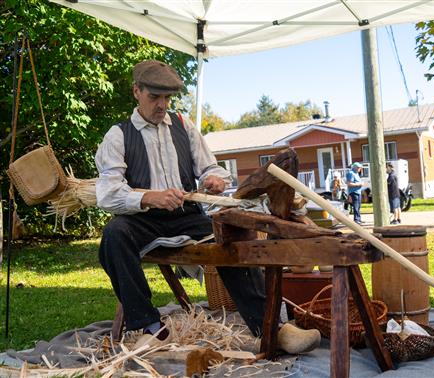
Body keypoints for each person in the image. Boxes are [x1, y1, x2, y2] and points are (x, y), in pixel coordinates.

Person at [96, 60, 319, 352]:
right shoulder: (118, 135)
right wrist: (150, 197)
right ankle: (150, 326)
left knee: (234, 237)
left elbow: (210, 167)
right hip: (143, 220)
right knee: (113, 236)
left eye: (167, 98)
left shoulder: (182, 125)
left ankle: (272, 328)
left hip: (188, 216)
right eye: (154, 97)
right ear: (136, 91)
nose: (162, 105)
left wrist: (213, 178)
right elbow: (108, 194)